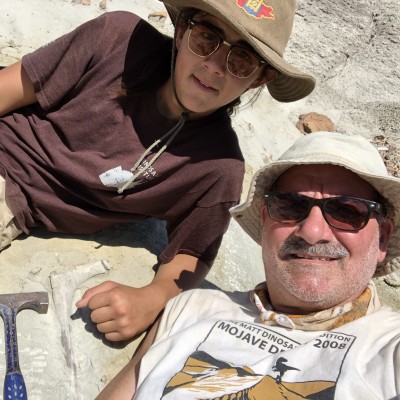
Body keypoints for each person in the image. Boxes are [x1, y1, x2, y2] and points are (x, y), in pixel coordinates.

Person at [0, 0, 315, 341]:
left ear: (260, 78)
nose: (214, 66)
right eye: (206, 39)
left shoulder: (217, 168)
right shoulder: (116, 41)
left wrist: (151, 299)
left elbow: (191, 253)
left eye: (242, 59)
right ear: (182, 31)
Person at [96, 131, 400, 399]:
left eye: (348, 211)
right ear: (266, 222)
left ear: (382, 240)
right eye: (291, 206)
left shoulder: (388, 349)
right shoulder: (190, 308)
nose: (312, 232)